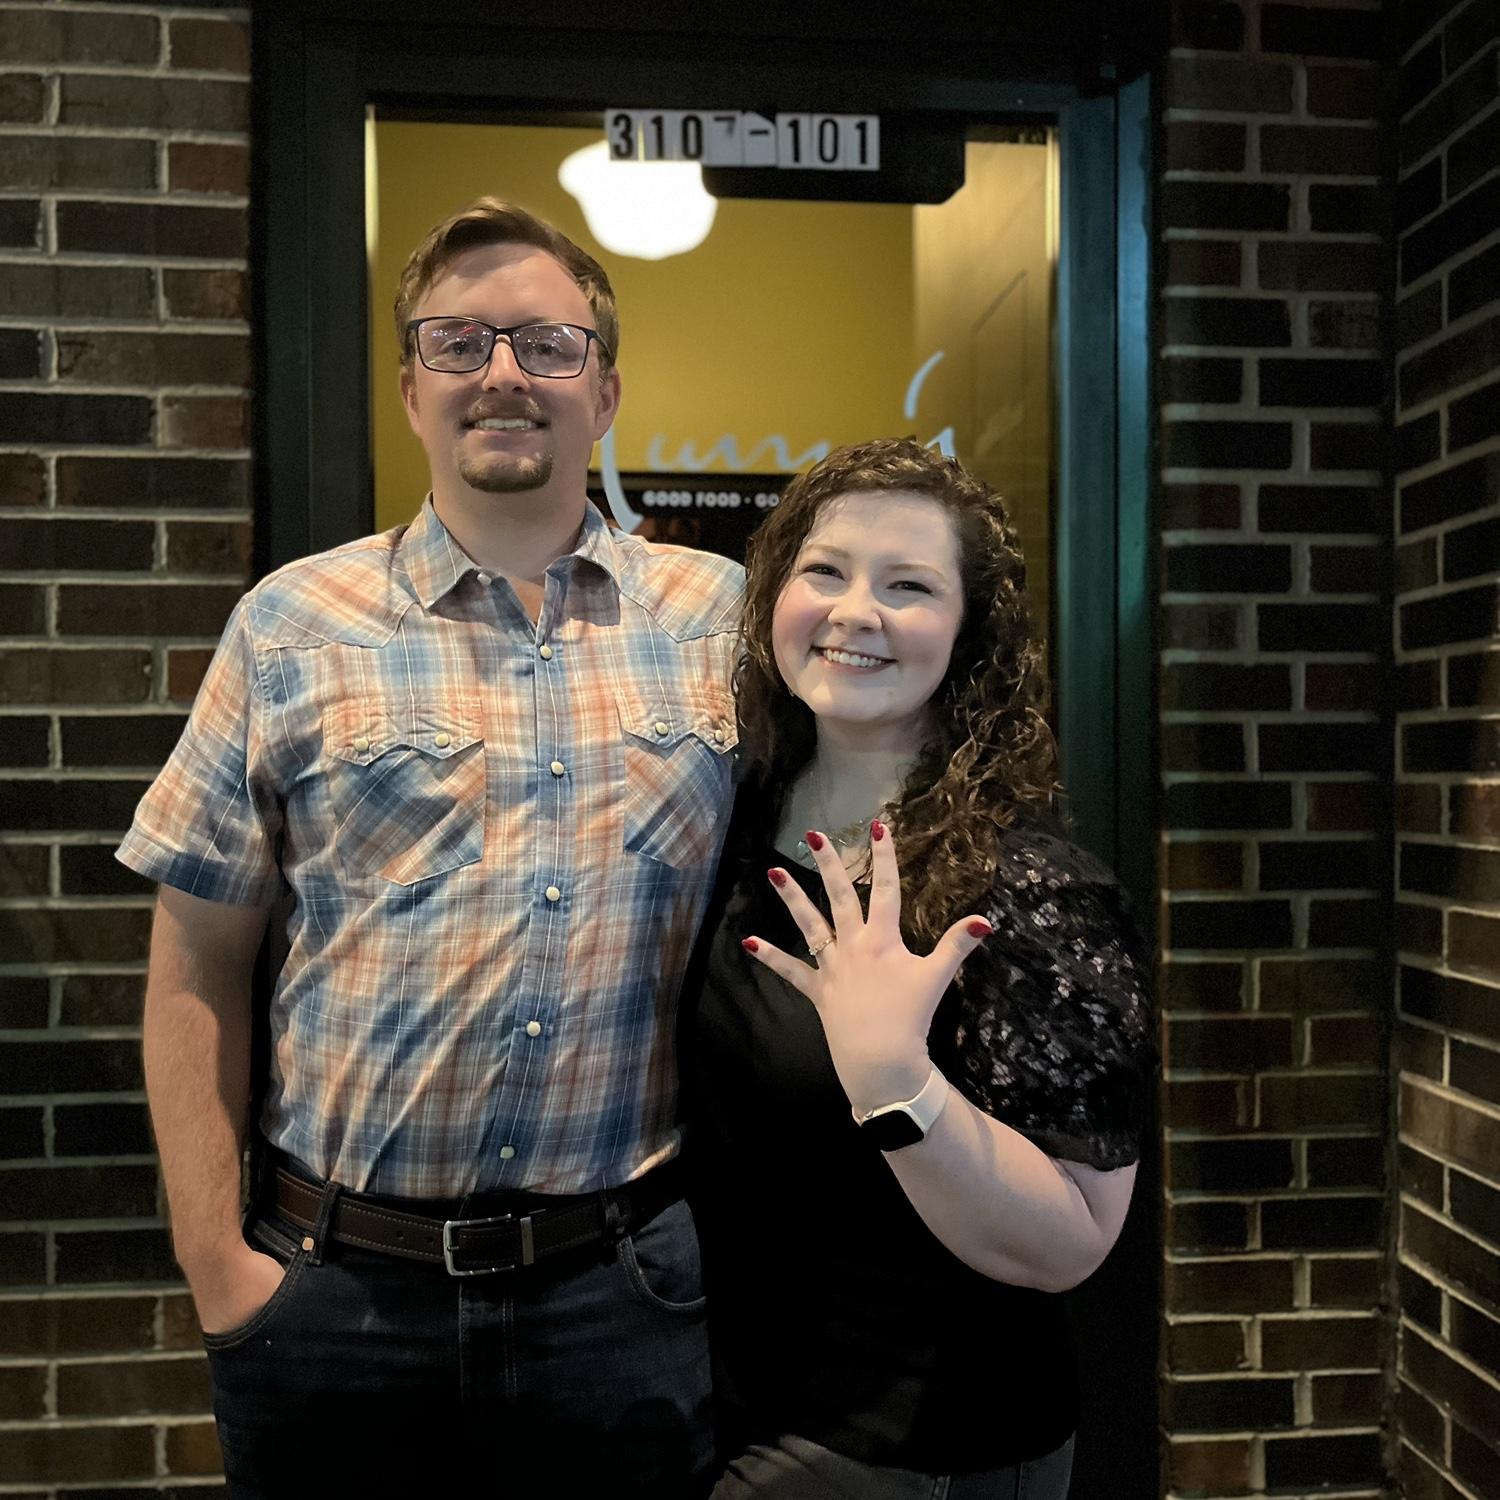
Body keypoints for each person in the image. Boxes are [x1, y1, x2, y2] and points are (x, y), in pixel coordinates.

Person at [118, 199, 742, 1497]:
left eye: (545, 344)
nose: (503, 371)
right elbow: (195, 968)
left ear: (606, 389)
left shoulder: (718, 620)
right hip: (333, 1299)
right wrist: (219, 1272)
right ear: (411, 391)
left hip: (618, 1297)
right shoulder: (291, 626)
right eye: (458, 343)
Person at [685, 439, 1153, 1498]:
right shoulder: (733, 824)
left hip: (912, 1452)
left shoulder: (1028, 891)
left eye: (910, 587)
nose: (858, 611)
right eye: (827, 571)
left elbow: (1070, 1243)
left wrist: (900, 1086)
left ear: (968, 635)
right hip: (728, 1407)